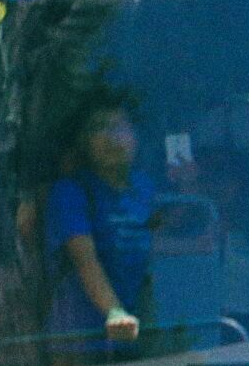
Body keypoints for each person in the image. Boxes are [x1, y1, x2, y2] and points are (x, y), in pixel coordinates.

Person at [37, 109, 158, 350]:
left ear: (136, 137)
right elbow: (85, 260)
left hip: (135, 333)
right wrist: (114, 312)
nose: (110, 137)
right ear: (85, 143)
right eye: (98, 127)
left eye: (119, 127)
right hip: (80, 338)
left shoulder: (144, 186)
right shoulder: (69, 192)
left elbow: (155, 245)